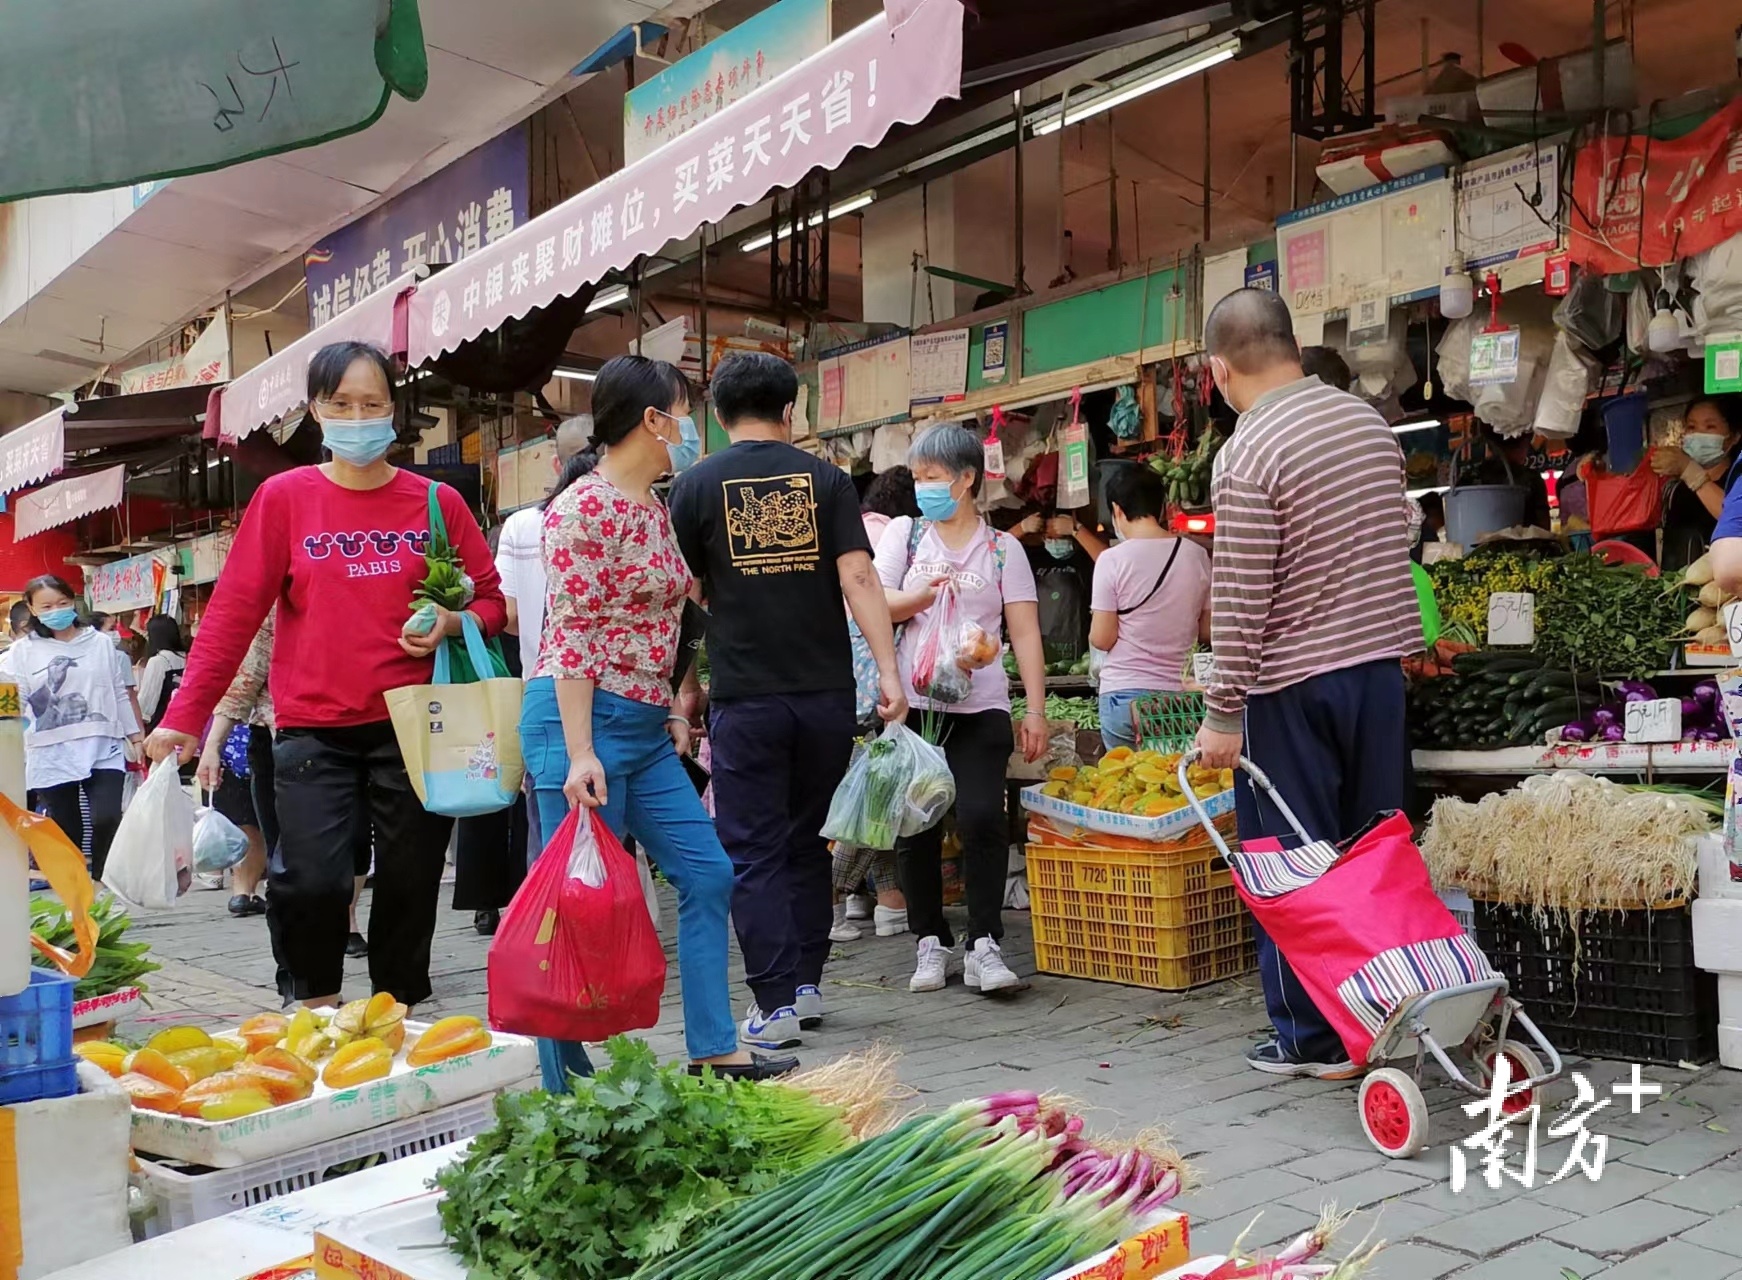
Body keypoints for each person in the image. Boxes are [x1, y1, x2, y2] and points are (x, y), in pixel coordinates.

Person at [146, 339, 507, 1011]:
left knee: (409, 879)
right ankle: (313, 1004)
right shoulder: (285, 499)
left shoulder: (436, 503)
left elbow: (492, 601)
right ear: (316, 410)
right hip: (314, 726)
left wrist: (453, 623)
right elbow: (230, 616)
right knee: (308, 880)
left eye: (372, 403)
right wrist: (182, 720)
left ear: (395, 411)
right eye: (341, 403)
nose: (357, 416)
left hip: (414, 725)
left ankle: (394, 1008)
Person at [522, 353, 793, 1083]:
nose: (691, 425)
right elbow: (573, 635)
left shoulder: (653, 508)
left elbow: (668, 621)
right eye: (683, 409)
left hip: (641, 728)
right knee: (581, 905)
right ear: (653, 420)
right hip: (578, 722)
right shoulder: (580, 510)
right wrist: (581, 752)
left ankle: (711, 1044)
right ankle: (562, 1080)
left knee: (706, 875)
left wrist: (674, 704)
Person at [1193, 288, 1419, 1079]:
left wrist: (1223, 712)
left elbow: (1244, 594)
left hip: (1292, 690)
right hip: (1378, 677)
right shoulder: (1368, 423)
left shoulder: (1247, 452)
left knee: (1290, 863)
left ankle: (1314, 1039)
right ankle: (1393, 1011)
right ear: (1291, 343)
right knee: (1376, 854)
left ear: (1220, 369)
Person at [668, 352, 905, 1051]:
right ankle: (805, 981)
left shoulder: (696, 484)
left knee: (753, 849)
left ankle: (775, 1002)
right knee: (808, 840)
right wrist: (888, 672)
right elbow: (859, 577)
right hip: (827, 695)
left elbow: (680, 596)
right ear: (791, 410)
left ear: (717, 413)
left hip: (747, 697)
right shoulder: (826, 480)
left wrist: (681, 686)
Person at [876, 423, 1049, 997]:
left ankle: (983, 944)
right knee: (917, 825)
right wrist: (922, 597)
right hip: (917, 707)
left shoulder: (1002, 551)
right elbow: (875, 607)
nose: (922, 486)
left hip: (982, 705)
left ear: (967, 478)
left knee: (980, 817)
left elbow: (1024, 633)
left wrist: (1036, 710)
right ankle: (930, 940)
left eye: (933, 477)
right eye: (919, 476)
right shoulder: (906, 537)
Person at [492, 413, 593, 866]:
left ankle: (549, 931)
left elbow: (507, 616)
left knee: (550, 839)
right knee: (610, 824)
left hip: (544, 694)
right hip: (612, 697)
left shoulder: (520, 526)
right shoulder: (629, 510)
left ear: (557, 465)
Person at [830, 467, 919, 943]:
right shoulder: (894, 533)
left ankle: (889, 900)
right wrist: (928, 594)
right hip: (872, 674)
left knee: (877, 789)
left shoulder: (857, 525)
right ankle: (826, 894)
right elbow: (882, 601)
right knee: (873, 797)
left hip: (853, 672)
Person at [2, 576, 140, 878]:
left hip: (103, 743)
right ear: (32, 609)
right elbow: (15, 698)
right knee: (67, 828)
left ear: (73, 602)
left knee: (106, 816)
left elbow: (118, 691)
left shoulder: (101, 643)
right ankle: (78, 896)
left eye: (63, 603)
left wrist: (136, 736)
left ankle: (103, 879)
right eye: (47, 606)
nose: (57, 611)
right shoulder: (22, 653)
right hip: (50, 751)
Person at [1088, 463, 1212, 750]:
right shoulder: (1196, 555)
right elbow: (1206, 631)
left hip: (1124, 696)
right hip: (1179, 700)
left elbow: (1103, 638)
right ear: (1163, 506)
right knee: (1176, 784)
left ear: (1117, 510)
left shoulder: (1112, 560)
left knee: (1128, 784)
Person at [1653, 396, 1741, 572]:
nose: (1699, 434)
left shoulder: (1737, 479)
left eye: (1710, 427)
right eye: (1692, 427)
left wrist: (1692, 473)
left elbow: (1736, 519)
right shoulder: (1676, 489)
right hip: (1677, 587)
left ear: (1734, 436)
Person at [137, 615, 187, 732]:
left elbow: (147, 699)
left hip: (162, 723)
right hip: (184, 720)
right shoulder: (187, 657)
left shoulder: (158, 661)